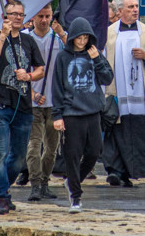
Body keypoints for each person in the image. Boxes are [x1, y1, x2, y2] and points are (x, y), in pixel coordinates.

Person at [0, 0, 45, 215]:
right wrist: (2, 35)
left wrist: (28, 76)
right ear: (5, 16)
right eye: (13, 14)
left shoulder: (28, 41)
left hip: (23, 104)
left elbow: (41, 69)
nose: (17, 17)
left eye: (21, 14)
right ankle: (1, 197)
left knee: (18, 158)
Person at [101, 0, 145, 187]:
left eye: (136, 6)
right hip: (118, 90)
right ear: (119, 11)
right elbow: (102, 60)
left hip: (141, 91)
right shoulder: (109, 33)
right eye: (130, 7)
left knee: (140, 130)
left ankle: (137, 170)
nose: (135, 10)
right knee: (117, 129)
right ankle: (116, 171)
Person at [51, 17, 113, 213]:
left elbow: (107, 78)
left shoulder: (94, 54)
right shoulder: (63, 57)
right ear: (73, 37)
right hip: (71, 112)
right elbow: (57, 88)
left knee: (95, 151)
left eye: (86, 37)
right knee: (72, 155)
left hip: (93, 111)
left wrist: (97, 60)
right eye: (79, 37)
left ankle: (72, 181)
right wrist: (57, 115)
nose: (82, 40)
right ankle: (76, 197)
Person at [24, 4, 67, 201]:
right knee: (34, 143)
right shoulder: (26, 38)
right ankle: (34, 183)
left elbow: (74, 54)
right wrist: (32, 92)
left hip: (54, 101)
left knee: (52, 146)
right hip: (33, 101)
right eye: (40, 16)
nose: (44, 20)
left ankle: (44, 182)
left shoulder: (57, 38)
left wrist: (63, 33)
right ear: (33, 17)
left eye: (47, 16)